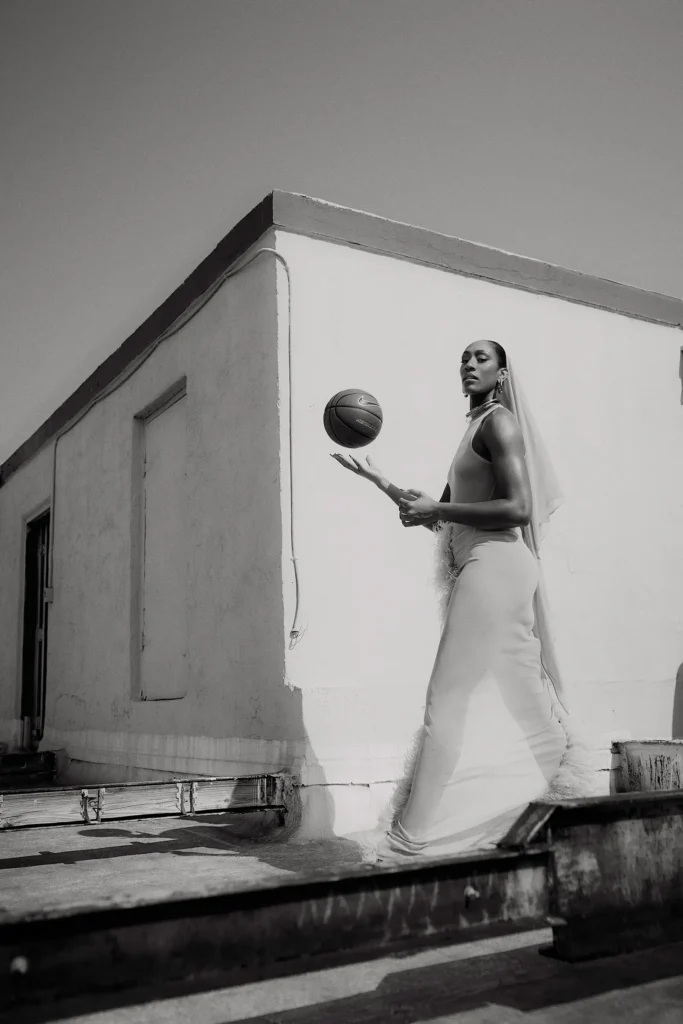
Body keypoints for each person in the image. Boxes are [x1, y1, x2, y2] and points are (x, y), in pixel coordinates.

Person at [331, 340, 595, 863]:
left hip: (495, 568)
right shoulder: (473, 430)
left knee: (445, 702)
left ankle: (408, 842)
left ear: (502, 373)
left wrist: (440, 508)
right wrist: (382, 483)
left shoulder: (500, 424)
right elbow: (440, 517)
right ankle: (556, 802)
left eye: (481, 358)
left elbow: (518, 507)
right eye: (464, 359)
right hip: (486, 569)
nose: (469, 365)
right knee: (524, 701)